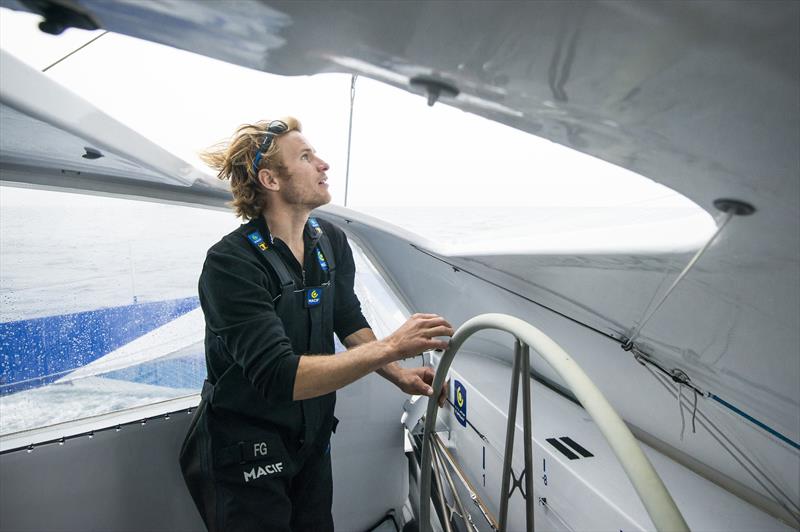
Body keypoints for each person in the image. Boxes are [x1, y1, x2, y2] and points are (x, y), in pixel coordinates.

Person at [179, 116, 453, 532]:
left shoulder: (329, 241)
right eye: (306, 156)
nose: (323, 164)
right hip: (245, 450)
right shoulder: (231, 264)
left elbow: (346, 317)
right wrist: (393, 346)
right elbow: (279, 376)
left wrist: (399, 376)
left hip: (311, 439)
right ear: (271, 179)